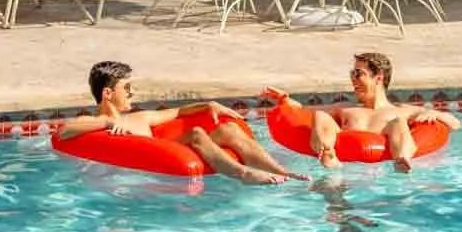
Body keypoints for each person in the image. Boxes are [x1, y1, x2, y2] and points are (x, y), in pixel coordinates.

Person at [60, 61, 300, 185]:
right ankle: (243, 174)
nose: (133, 93)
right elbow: (64, 132)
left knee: (228, 128)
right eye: (127, 88)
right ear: (107, 93)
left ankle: (281, 170)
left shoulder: (141, 117)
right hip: (152, 167)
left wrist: (209, 105)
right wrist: (106, 123)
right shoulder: (92, 121)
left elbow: (177, 112)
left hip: (169, 151)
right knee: (196, 132)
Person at [264, 51, 460, 172]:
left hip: (383, 169)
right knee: (322, 115)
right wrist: (285, 100)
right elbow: (305, 112)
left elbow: (456, 124)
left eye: (359, 74)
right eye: (352, 73)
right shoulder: (346, 110)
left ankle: (402, 159)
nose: (353, 79)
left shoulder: (401, 111)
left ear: (378, 78)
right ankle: (328, 152)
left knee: (397, 122)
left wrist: (438, 114)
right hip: (346, 168)